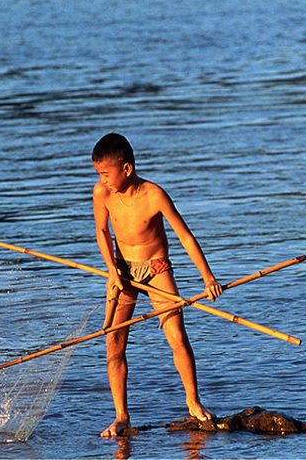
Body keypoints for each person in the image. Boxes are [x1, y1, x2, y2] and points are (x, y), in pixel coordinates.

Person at [91, 132, 224, 438]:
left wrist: (208, 278)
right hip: (123, 272)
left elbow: (185, 237)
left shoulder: (154, 195)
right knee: (113, 339)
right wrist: (111, 271)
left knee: (176, 334)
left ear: (126, 168)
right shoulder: (102, 193)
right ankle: (121, 416)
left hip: (156, 269)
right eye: (99, 174)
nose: (103, 180)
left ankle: (193, 402)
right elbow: (102, 231)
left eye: (106, 174)